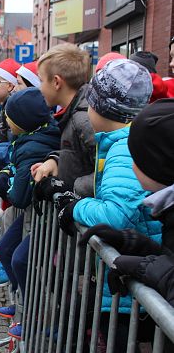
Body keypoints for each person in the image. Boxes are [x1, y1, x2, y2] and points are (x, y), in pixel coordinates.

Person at [55, 59, 161, 351]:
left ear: (101, 109)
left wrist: (74, 207)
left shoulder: (124, 149)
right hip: (132, 274)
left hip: (134, 288)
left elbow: (116, 214)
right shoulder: (121, 142)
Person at [0, 88, 61, 339]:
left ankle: (36, 314)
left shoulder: (33, 146)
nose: (5, 121)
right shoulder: (29, 139)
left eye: (9, 117)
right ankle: (22, 305)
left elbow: (18, 195)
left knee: (20, 259)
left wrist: (3, 180)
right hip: (37, 214)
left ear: (22, 120)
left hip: (46, 216)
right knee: (6, 249)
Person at [31, 43, 96, 203]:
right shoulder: (76, 113)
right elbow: (80, 157)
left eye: (41, 81)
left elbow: (109, 172)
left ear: (56, 82)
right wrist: (56, 161)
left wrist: (67, 188)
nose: (40, 88)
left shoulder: (83, 119)